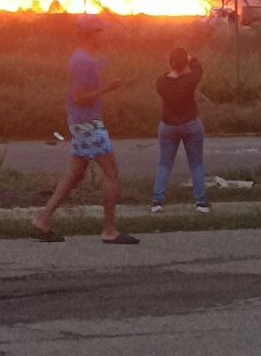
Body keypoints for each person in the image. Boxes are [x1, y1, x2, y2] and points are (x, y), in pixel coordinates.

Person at [31, 14, 139, 245]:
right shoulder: (82, 61)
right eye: (100, 31)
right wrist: (107, 89)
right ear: (90, 33)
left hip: (81, 122)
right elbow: (79, 97)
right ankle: (109, 230)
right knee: (111, 172)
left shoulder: (84, 58)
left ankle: (42, 220)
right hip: (88, 124)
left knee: (75, 175)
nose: (104, 34)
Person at [151, 46, 209, 213]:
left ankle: (157, 201)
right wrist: (191, 60)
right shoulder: (190, 81)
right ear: (185, 65)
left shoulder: (161, 82)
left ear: (170, 63)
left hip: (168, 126)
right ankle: (201, 202)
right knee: (196, 164)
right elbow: (199, 70)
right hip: (191, 124)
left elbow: (168, 77)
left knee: (164, 164)